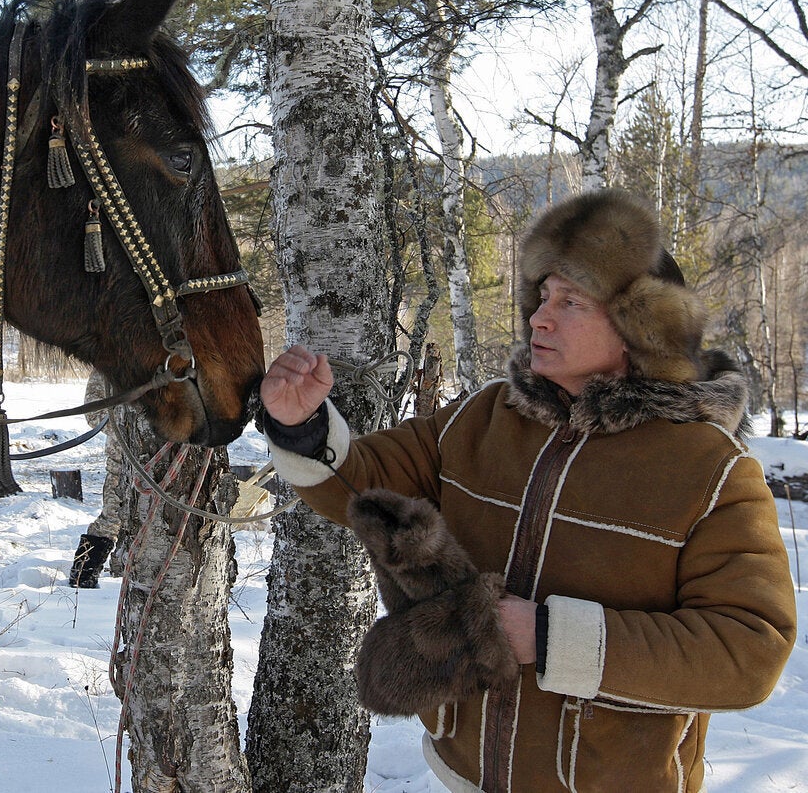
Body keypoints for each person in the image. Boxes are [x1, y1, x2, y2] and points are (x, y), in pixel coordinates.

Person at [259, 189, 796, 792]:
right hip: (467, 771)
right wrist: (301, 424)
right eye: (542, 296)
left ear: (638, 329)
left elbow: (750, 649)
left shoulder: (710, 469)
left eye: (571, 301)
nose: (541, 316)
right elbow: (360, 486)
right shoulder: (485, 416)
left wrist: (548, 637)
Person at [69, 370, 126, 588]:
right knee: (112, 520)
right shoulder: (107, 365)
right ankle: (81, 578)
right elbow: (93, 413)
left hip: (166, 464)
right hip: (122, 465)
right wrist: (129, 428)